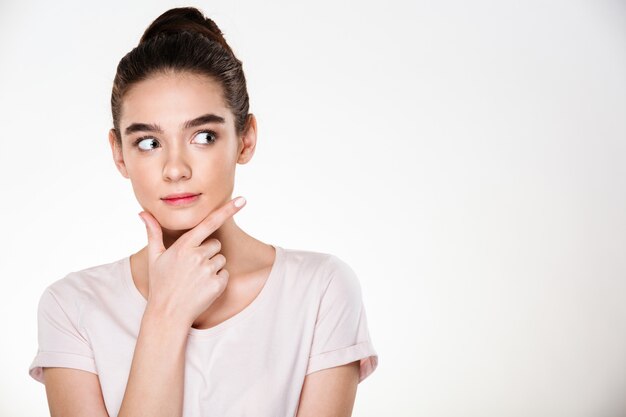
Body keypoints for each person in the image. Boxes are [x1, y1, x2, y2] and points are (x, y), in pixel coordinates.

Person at [28, 6, 378, 417]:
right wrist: (165, 314)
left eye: (204, 136)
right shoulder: (72, 307)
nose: (175, 169)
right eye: (147, 142)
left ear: (245, 140)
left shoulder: (320, 290)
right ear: (119, 154)